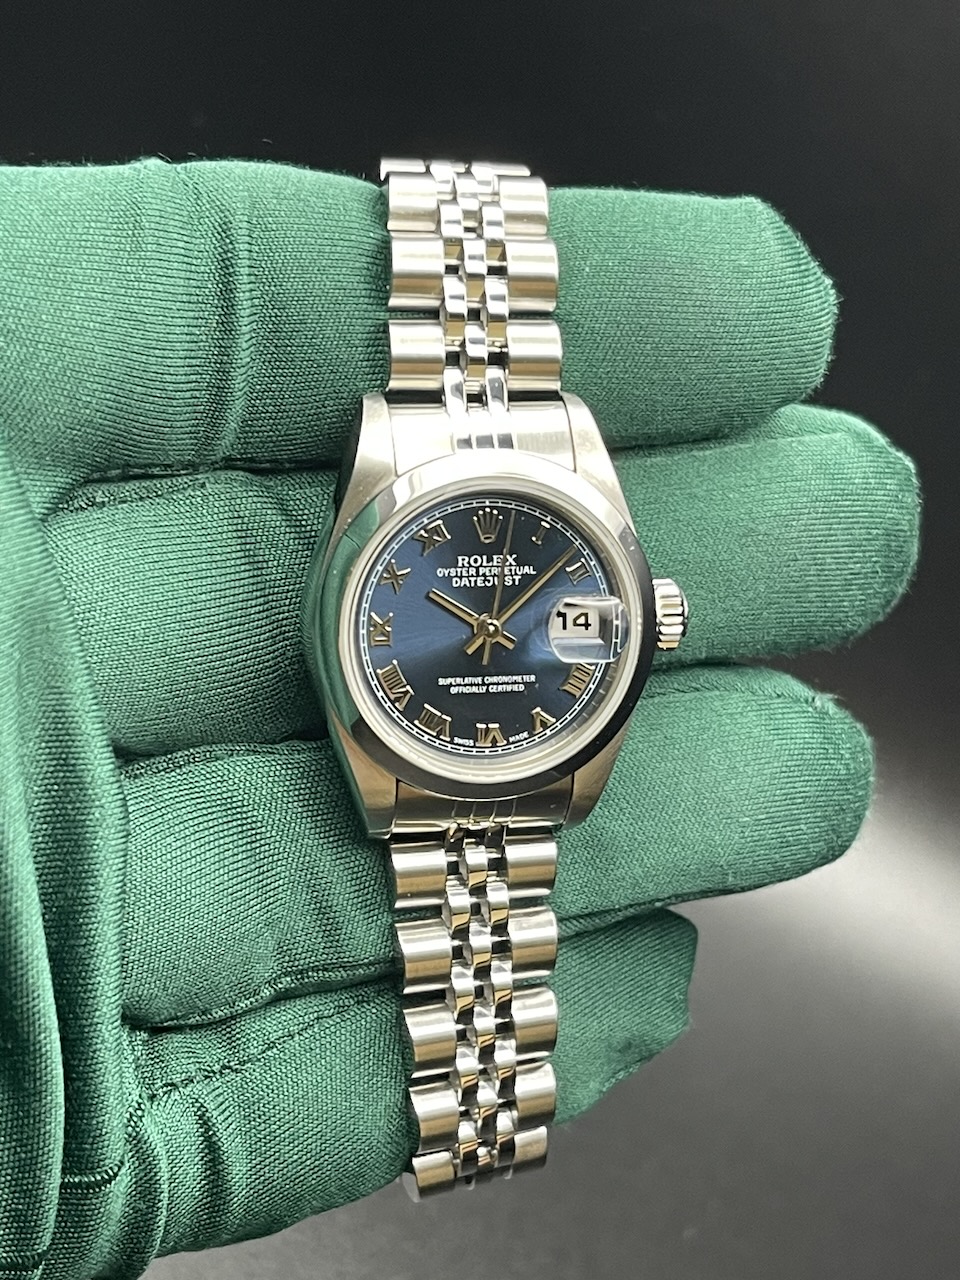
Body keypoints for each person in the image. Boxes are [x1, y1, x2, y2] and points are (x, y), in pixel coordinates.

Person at [0, 156, 919, 1277]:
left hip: (504, 746)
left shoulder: (578, 581)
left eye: (503, 621)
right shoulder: (409, 535)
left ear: (652, 614)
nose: (487, 631)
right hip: (414, 742)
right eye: (472, 620)